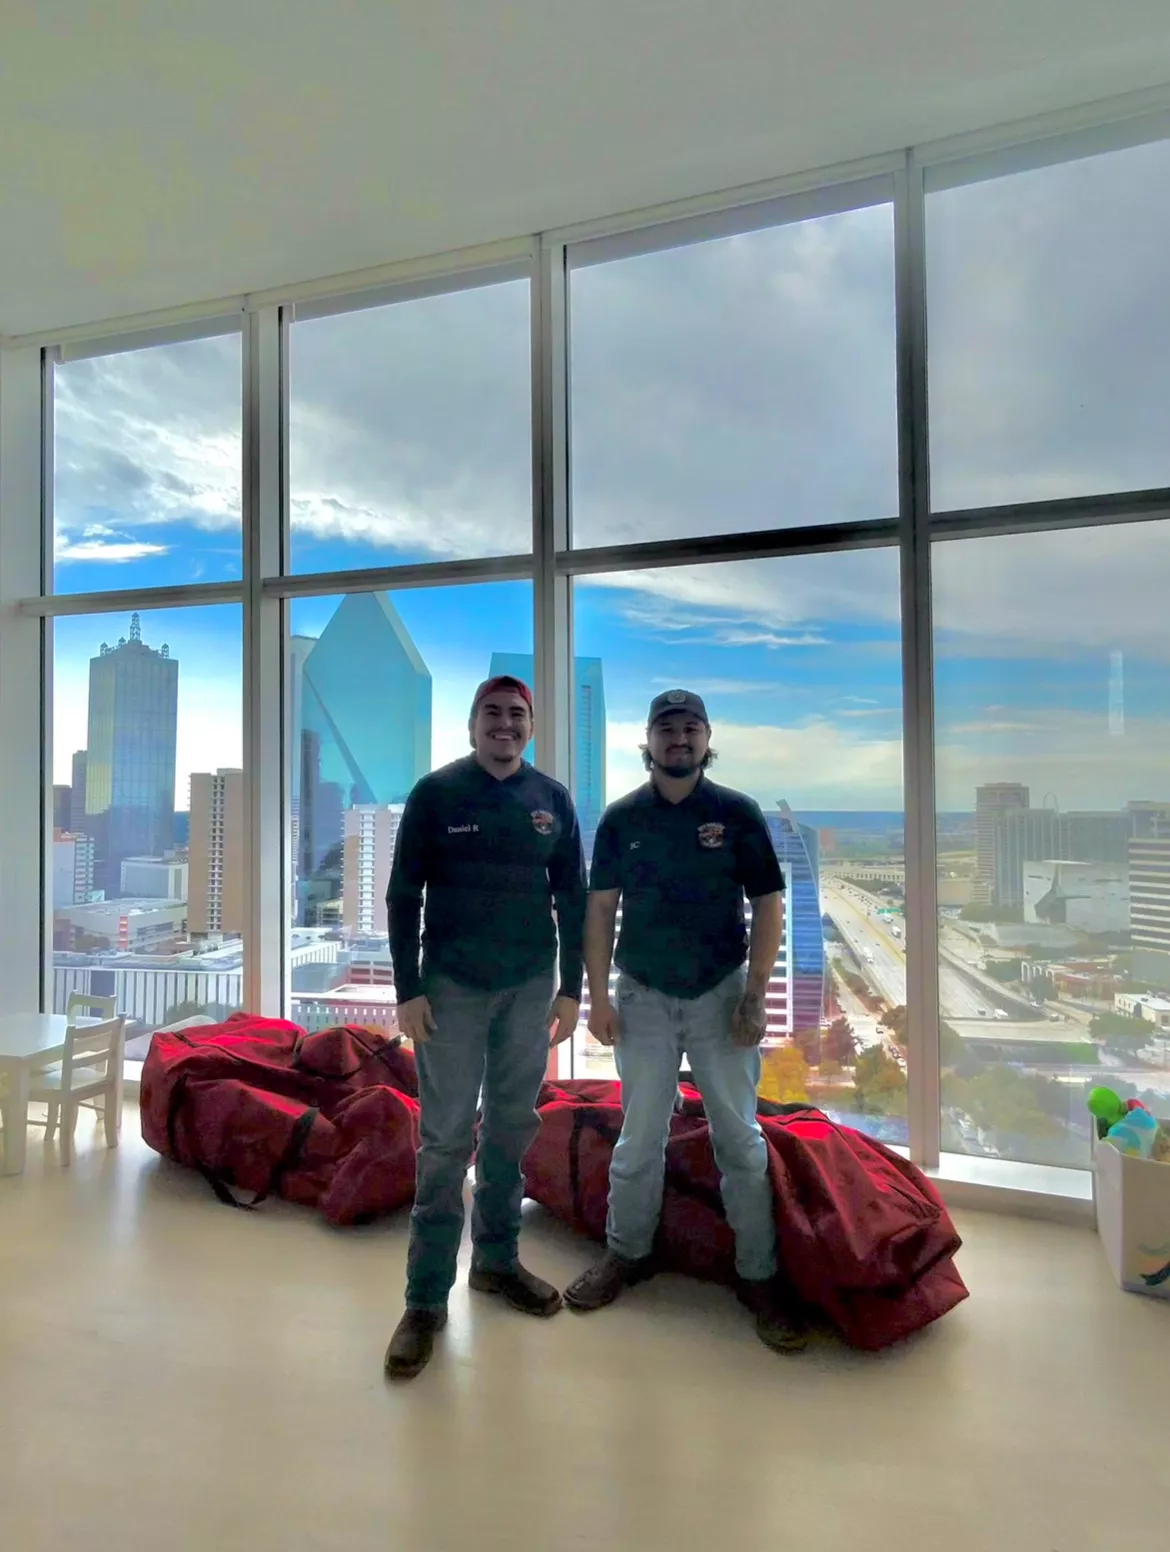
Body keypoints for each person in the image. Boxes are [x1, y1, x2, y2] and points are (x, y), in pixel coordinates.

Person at [563, 689, 805, 1352]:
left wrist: (755, 994)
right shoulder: (622, 818)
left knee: (740, 1139)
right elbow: (600, 911)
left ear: (707, 738)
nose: (680, 738)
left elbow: (769, 905)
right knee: (639, 1136)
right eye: (667, 728)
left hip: (720, 994)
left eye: (691, 728)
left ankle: (759, 1275)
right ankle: (626, 1253)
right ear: (648, 740)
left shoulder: (736, 813)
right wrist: (598, 998)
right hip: (642, 995)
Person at [383, 675, 586, 1379]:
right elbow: (403, 895)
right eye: (492, 713)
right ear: (472, 725)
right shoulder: (436, 794)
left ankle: (496, 1262)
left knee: (510, 1129)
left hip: (530, 987)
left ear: (531, 726)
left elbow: (572, 897)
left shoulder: (552, 800)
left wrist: (571, 991)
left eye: (517, 714)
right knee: (444, 1143)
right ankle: (424, 1301)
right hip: (451, 988)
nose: (505, 724)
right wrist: (407, 990)